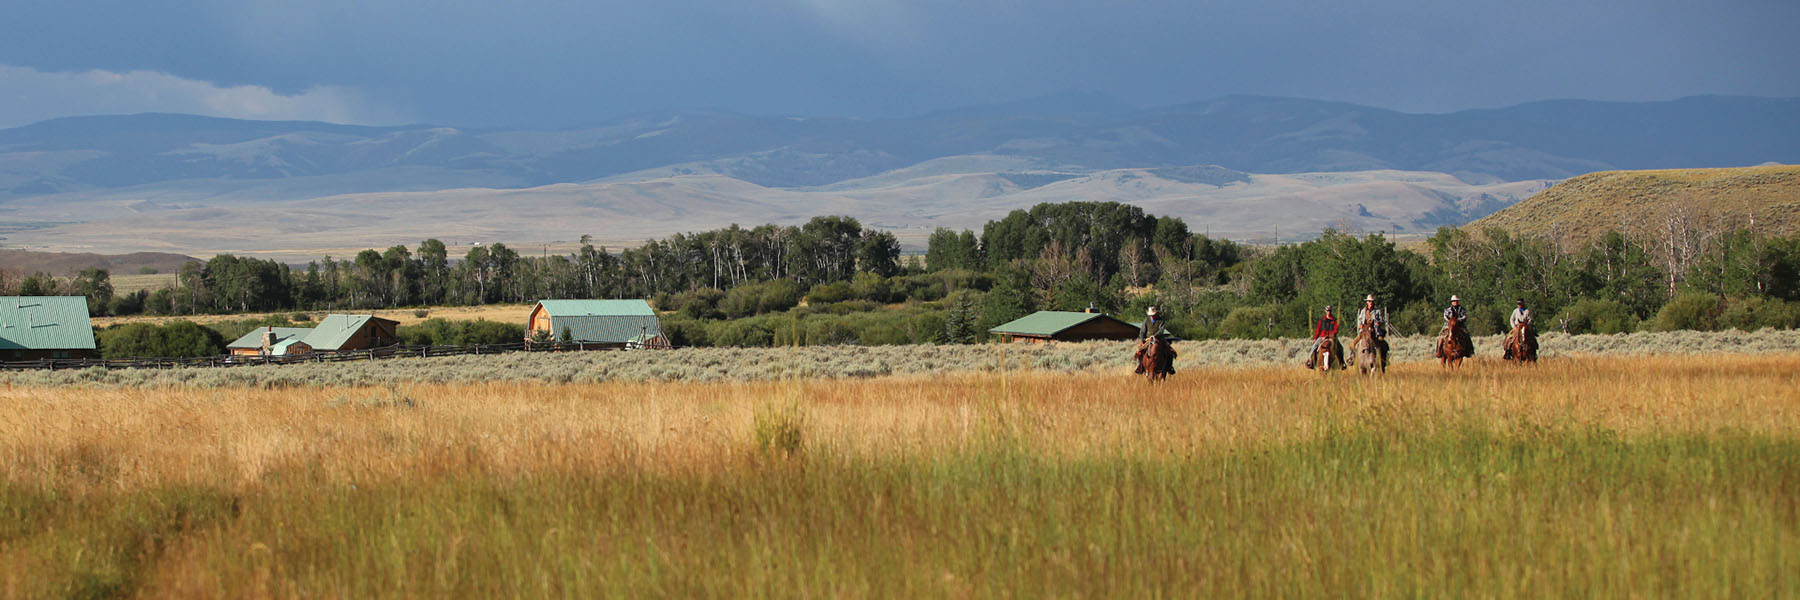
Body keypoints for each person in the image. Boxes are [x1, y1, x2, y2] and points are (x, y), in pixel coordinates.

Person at [1134, 307, 1177, 375]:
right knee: (1139, 351)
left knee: (1170, 351)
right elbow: (1142, 331)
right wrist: (1142, 339)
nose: (1152, 316)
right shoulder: (1146, 320)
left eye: (1153, 314)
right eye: (1151, 315)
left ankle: (1169, 367)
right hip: (1147, 339)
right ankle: (1140, 367)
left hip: (1159, 339)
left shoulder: (1161, 321)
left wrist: (1155, 336)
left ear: (1156, 313)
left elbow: (1161, 330)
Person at [1355, 294, 1391, 368]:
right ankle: (1352, 358)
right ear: (1367, 302)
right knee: (1355, 344)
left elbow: (1381, 320)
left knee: (1384, 344)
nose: (1370, 302)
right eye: (1369, 301)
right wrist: (1360, 326)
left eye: (1371, 301)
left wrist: (1378, 322)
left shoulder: (1377, 311)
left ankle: (1384, 359)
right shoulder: (1363, 311)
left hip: (1375, 332)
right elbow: (1359, 321)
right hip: (1364, 332)